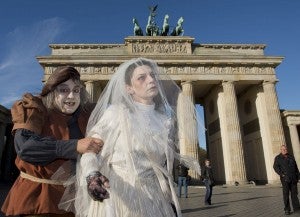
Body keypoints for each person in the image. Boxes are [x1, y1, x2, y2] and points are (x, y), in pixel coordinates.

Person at [58, 58, 201, 217]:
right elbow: (90, 149)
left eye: (153, 75)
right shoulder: (115, 114)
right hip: (120, 196)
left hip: (154, 198)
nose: (151, 80)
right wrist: (92, 174)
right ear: (129, 88)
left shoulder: (164, 121)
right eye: (142, 77)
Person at [1, 66, 104, 217]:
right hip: (37, 203)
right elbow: (25, 147)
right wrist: (75, 146)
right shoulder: (35, 108)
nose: (71, 96)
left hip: (75, 205)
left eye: (76, 90)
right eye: (64, 90)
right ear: (52, 90)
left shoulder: (87, 114)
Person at [273, 145, 300, 215]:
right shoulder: (278, 158)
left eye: (285, 149)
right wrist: (281, 174)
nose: (284, 150)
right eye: (283, 149)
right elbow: (275, 167)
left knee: (294, 194)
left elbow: (296, 167)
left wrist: (298, 177)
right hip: (285, 179)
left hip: (293, 178)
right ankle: (287, 209)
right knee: (286, 194)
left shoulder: (291, 157)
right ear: (281, 150)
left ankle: (297, 208)